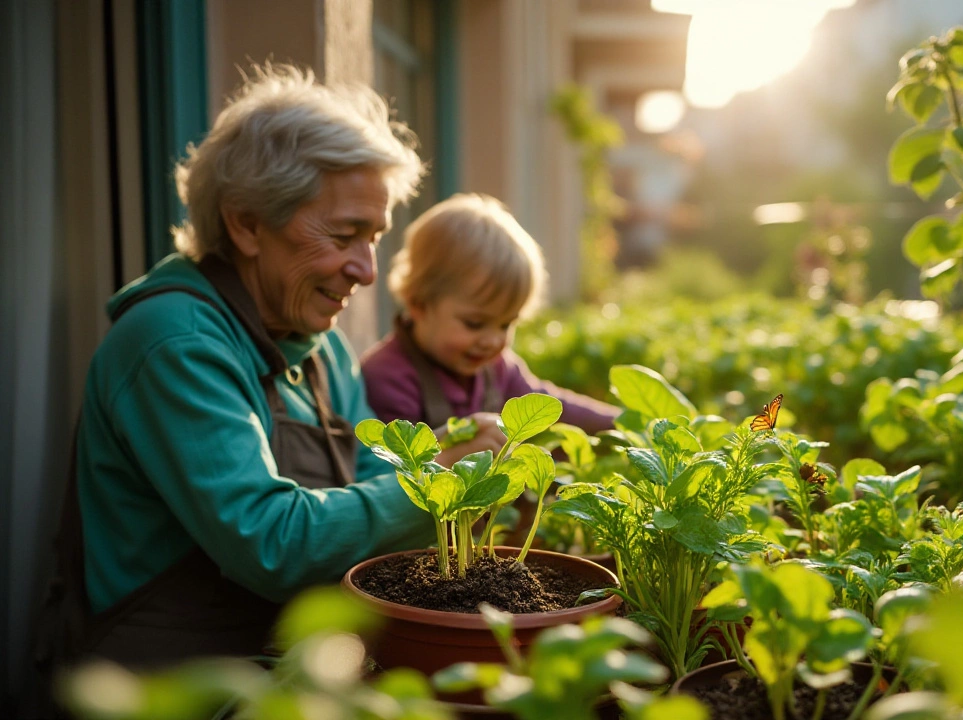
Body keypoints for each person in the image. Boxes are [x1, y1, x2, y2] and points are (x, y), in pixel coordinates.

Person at [33, 65, 508, 678]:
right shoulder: (175, 342)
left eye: (374, 237)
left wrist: (463, 474)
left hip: (295, 663)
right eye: (344, 235)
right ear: (247, 223)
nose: (366, 271)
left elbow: (374, 482)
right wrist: (433, 483)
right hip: (172, 684)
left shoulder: (318, 344)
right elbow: (270, 544)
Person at [361, 194, 619, 434]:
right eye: (475, 324)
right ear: (419, 303)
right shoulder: (388, 379)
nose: (493, 340)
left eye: (506, 324)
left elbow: (552, 409)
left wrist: (623, 425)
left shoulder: (497, 369)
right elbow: (390, 474)